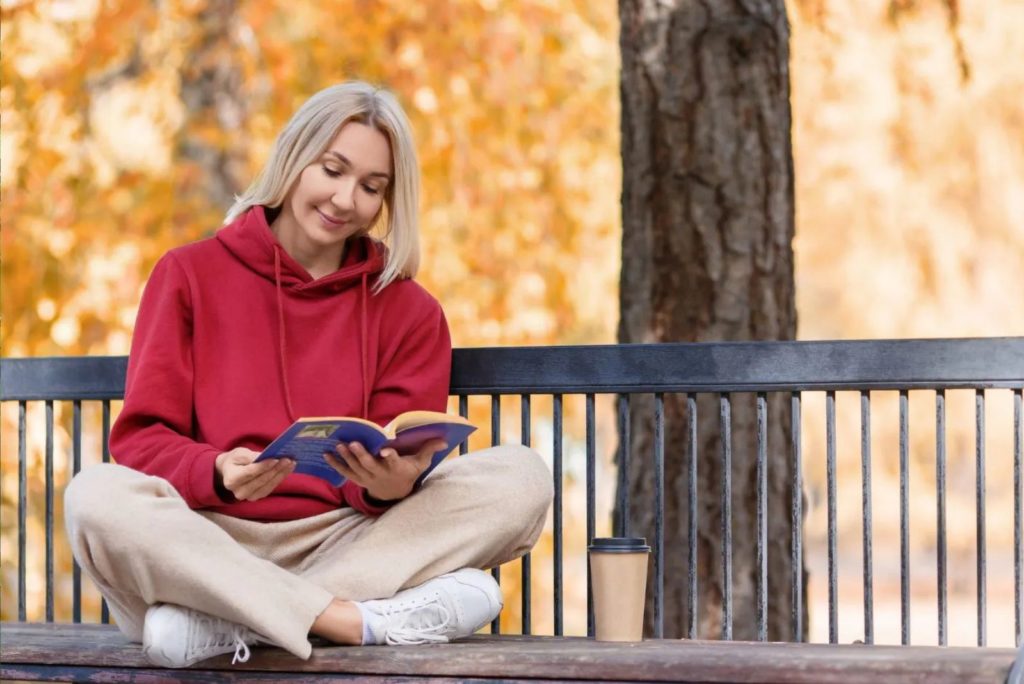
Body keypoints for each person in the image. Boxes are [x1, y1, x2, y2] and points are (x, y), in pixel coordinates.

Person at [64, 81, 553, 669]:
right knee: (94, 496)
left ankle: (228, 624)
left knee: (521, 478)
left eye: (372, 187)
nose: (345, 199)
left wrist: (388, 484)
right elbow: (142, 440)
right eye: (332, 169)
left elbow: (402, 452)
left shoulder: (409, 310)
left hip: (348, 540)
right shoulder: (188, 274)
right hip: (207, 541)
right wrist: (215, 471)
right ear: (295, 158)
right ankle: (350, 621)